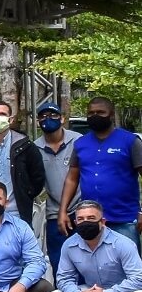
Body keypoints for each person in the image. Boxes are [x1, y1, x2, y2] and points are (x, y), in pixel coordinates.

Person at [59, 97, 142, 248]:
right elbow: (72, 179)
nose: (95, 116)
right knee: (92, 265)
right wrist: (62, 211)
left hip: (124, 219)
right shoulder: (80, 144)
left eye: (100, 112)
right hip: (90, 220)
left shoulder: (130, 141)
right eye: (91, 113)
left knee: (129, 268)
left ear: (111, 115)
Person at [33, 101, 81, 292]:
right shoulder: (35, 147)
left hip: (82, 210)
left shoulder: (79, 141)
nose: (47, 119)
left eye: (52, 115)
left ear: (62, 118)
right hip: (54, 212)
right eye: (42, 116)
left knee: (86, 261)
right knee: (60, 262)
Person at [0, 101, 45, 224]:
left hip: (16, 211)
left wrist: (26, 194)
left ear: (11, 119)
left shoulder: (25, 145)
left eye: (2, 114)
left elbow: (38, 176)